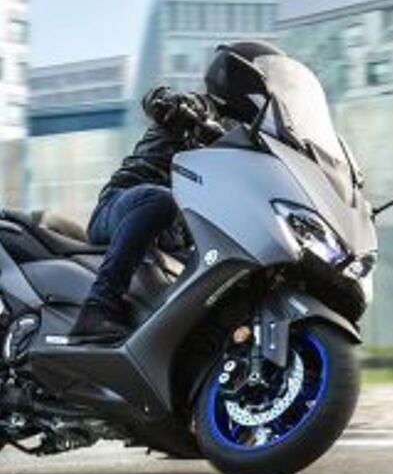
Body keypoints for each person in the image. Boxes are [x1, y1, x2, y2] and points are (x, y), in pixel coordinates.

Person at [70, 40, 281, 342]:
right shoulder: (201, 108)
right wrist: (169, 102)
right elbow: (155, 98)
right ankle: (97, 308)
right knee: (160, 199)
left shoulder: (251, 137)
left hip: (176, 234)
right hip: (124, 204)